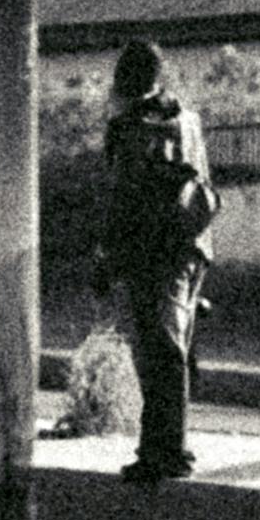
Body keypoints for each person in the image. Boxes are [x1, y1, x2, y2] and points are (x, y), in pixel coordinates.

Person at [99, 34, 217, 487]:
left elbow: (120, 198)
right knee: (175, 349)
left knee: (158, 353)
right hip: (192, 247)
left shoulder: (128, 127)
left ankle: (163, 453)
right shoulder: (189, 120)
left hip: (150, 253)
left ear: (124, 80)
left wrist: (107, 257)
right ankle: (168, 447)